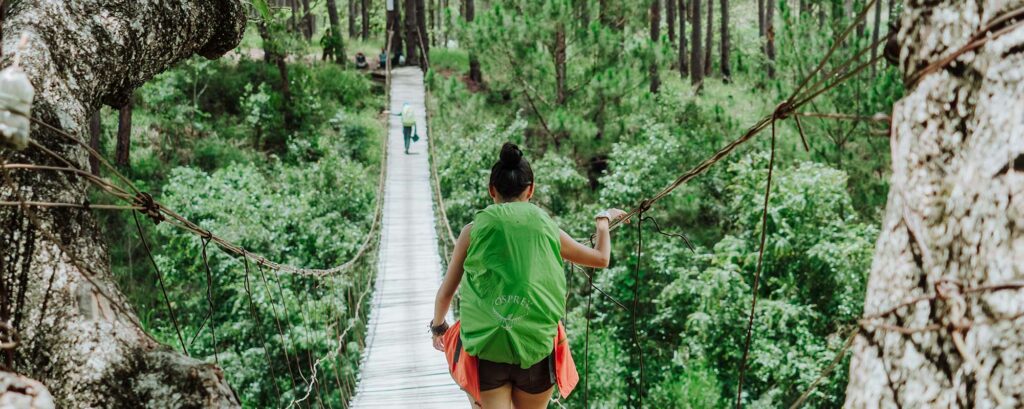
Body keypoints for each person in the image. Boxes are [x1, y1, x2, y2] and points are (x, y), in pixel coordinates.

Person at [430, 143, 628, 409]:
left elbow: (446, 293)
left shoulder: (473, 230)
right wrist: (603, 221)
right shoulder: (545, 224)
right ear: (530, 190)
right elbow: (600, 259)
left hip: (488, 352)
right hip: (536, 350)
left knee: (458, 337)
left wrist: (438, 328)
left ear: (492, 191)